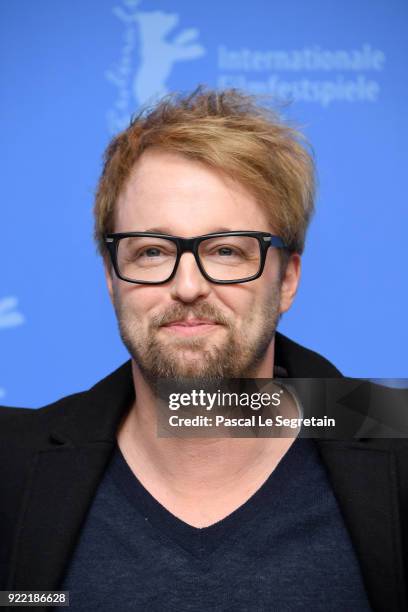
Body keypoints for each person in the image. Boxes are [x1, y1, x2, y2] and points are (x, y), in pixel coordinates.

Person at [0, 88, 407, 611]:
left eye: (226, 250)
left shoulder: (386, 433)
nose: (188, 285)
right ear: (110, 277)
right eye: (152, 251)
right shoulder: (11, 465)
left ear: (287, 280)